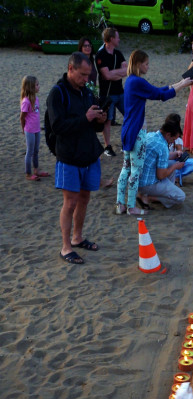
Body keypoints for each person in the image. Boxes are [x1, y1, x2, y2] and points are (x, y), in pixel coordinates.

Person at [46, 52, 106, 264]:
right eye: (82, 75)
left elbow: (92, 126)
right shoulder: (57, 93)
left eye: (88, 75)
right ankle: (65, 247)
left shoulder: (86, 92)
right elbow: (57, 127)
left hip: (88, 154)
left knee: (84, 199)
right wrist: (85, 118)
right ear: (70, 69)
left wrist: (99, 120)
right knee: (70, 202)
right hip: (69, 156)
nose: (86, 80)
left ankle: (78, 237)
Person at [115, 50, 192, 216]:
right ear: (138, 64)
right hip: (137, 132)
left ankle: (120, 204)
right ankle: (130, 207)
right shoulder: (136, 81)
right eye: (146, 63)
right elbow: (159, 95)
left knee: (126, 169)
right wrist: (182, 85)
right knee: (134, 171)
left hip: (128, 130)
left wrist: (179, 84)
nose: (148, 67)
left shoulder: (131, 81)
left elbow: (158, 90)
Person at [137, 117, 188, 209]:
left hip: (137, 178)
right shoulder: (163, 146)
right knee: (181, 197)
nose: (173, 142)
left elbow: (160, 156)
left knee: (171, 163)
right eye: (173, 139)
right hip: (147, 184)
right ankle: (148, 198)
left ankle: (162, 192)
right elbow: (161, 175)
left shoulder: (151, 135)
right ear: (168, 135)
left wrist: (175, 154)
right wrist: (175, 167)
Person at [96, 28, 127, 157]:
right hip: (107, 94)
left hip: (120, 92)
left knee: (129, 115)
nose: (119, 39)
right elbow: (106, 75)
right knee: (107, 120)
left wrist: (114, 73)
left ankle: (126, 143)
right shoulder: (100, 55)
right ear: (111, 39)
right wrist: (117, 73)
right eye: (117, 37)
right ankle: (107, 146)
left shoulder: (118, 54)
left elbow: (126, 70)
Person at [20, 75, 48, 181]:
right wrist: (24, 129)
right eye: (37, 85)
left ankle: (36, 170)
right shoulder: (26, 101)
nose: (38, 86)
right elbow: (22, 117)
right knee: (30, 151)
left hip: (37, 129)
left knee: (36, 150)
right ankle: (28, 173)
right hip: (30, 130)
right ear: (31, 87)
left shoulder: (36, 99)